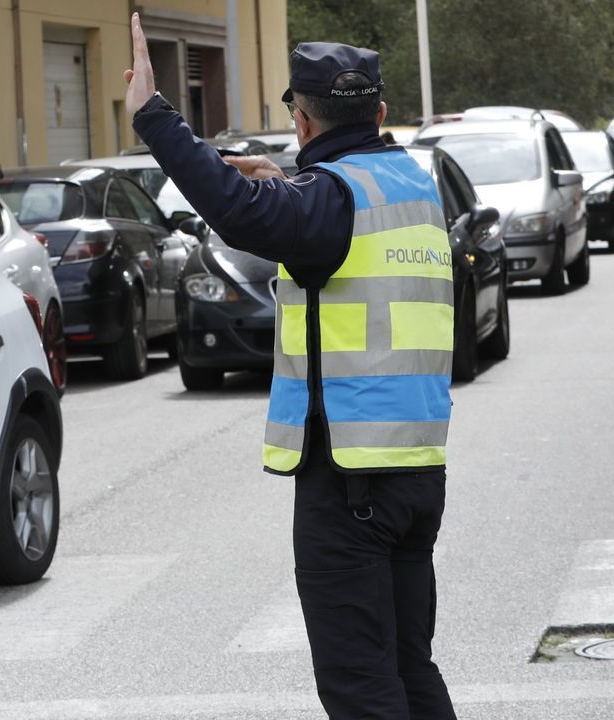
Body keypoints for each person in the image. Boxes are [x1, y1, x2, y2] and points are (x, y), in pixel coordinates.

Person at [124, 15, 456, 720]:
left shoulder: (330, 202)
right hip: (418, 471)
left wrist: (153, 116)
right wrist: (290, 179)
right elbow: (325, 213)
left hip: (350, 483)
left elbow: (237, 209)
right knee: (408, 670)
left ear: (302, 122)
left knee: (360, 687)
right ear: (382, 114)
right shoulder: (409, 185)